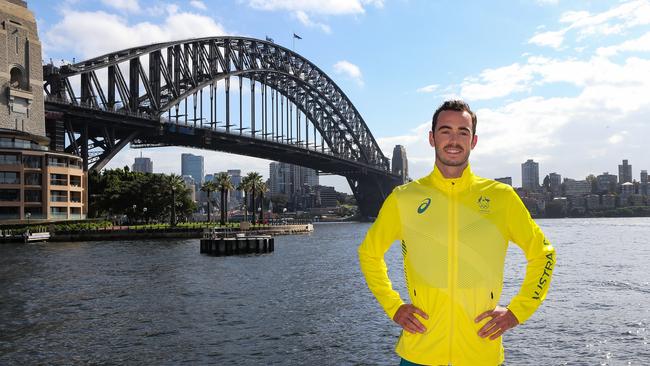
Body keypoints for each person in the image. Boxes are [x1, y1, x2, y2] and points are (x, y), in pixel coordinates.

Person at [358, 100, 556, 365]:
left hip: (480, 352)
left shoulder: (502, 198)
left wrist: (516, 312)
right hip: (420, 351)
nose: (454, 139)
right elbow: (369, 254)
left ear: (473, 141)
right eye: (445, 130)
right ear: (432, 138)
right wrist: (394, 306)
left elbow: (544, 255)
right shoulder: (403, 198)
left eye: (463, 132)